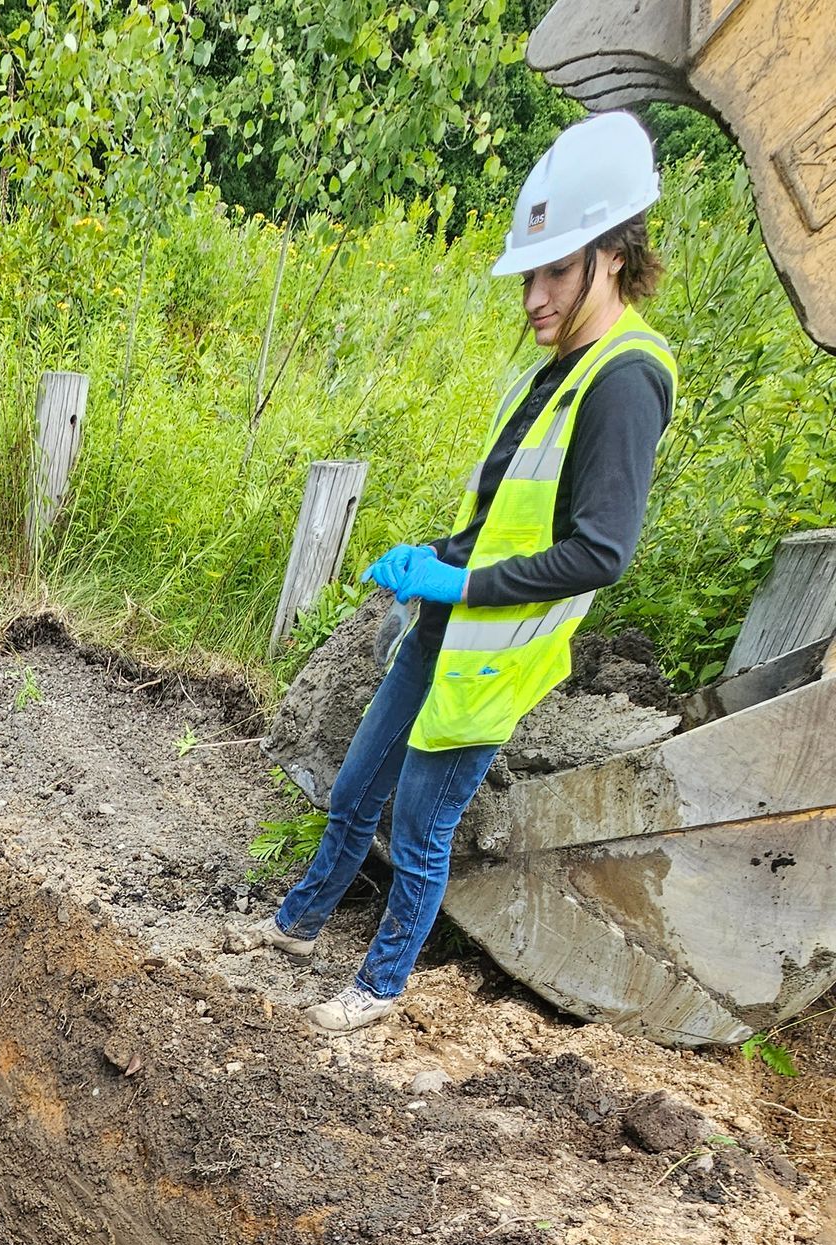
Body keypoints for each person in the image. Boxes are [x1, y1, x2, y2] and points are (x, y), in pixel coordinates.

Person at [240, 111, 677, 1034]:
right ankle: (301, 921)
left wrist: (461, 586)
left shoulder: (625, 379)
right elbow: (507, 520)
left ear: (612, 255)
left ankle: (381, 985)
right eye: (531, 273)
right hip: (449, 622)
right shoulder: (557, 370)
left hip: (496, 654)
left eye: (556, 270)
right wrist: (432, 561)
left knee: (420, 826)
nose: (534, 295)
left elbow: (600, 550)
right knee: (359, 783)